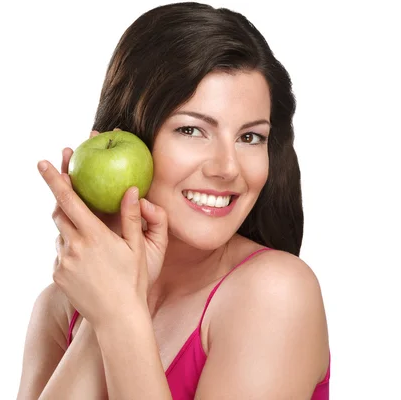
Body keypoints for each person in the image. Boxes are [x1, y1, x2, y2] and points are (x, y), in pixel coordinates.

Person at [17, 2, 330, 399]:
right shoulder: (60, 307)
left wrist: (118, 315)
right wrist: (107, 304)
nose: (228, 167)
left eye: (250, 137)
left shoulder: (275, 293)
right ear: (128, 139)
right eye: (192, 130)